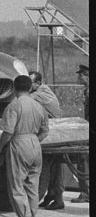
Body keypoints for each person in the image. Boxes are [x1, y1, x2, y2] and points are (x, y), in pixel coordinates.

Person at [0, 74, 49, 217]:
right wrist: (34, 140)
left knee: (17, 187)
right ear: (30, 88)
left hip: (19, 143)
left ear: (14, 89)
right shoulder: (38, 106)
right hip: (35, 144)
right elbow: (45, 130)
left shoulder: (14, 106)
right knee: (32, 187)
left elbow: (8, 132)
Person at [29, 70, 64, 209]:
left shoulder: (40, 93)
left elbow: (22, 99)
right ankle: (53, 196)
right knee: (54, 167)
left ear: (38, 83)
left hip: (53, 133)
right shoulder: (41, 90)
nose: (27, 85)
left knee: (49, 167)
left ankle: (55, 197)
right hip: (53, 130)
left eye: (29, 82)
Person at [69, 63, 89, 203]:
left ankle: (85, 193)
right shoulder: (86, 90)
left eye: (81, 75)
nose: (79, 78)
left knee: (84, 160)